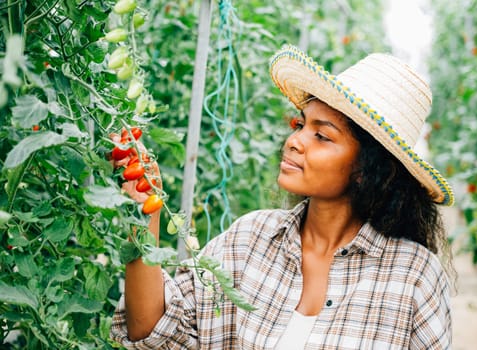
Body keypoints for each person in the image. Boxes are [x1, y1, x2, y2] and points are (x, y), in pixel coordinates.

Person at [111, 44, 455, 349]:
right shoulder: (248, 241)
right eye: (300, 125)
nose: (295, 141)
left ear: (367, 168)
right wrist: (146, 215)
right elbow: (154, 331)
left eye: (322, 136)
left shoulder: (414, 277)